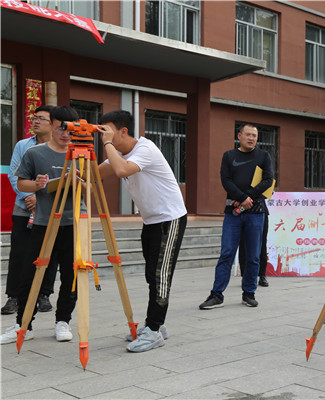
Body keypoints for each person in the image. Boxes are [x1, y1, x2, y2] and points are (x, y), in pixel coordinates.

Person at [98, 110, 187, 353]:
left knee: (160, 276)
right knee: (151, 274)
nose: (103, 136)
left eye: (107, 131)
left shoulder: (145, 149)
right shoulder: (119, 154)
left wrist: (107, 144)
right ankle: (155, 324)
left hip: (170, 219)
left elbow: (121, 171)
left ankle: (154, 331)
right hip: (150, 221)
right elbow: (95, 174)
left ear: (123, 131)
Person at [1, 106, 83, 345]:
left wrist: (77, 182)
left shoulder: (81, 154)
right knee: (30, 273)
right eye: (60, 129)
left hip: (72, 223)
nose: (65, 134)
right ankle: (23, 324)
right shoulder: (34, 153)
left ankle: (63, 321)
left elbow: (92, 187)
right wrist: (37, 185)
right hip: (42, 222)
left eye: (70, 130)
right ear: (52, 126)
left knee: (71, 275)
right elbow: (21, 184)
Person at [199, 124, 273, 310]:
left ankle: (249, 293)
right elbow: (226, 180)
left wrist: (247, 198)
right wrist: (241, 198)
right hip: (233, 214)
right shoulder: (229, 156)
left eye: (254, 135)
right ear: (239, 136)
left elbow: (268, 180)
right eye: (248, 134)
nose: (251, 138)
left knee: (253, 256)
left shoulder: (263, 156)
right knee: (227, 253)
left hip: (255, 213)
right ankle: (216, 295)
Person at [2, 105, 58, 315]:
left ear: (53, 124)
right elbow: (14, 174)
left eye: (41, 118)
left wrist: (40, 197)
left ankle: (44, 295)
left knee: (49, 252)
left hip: (50, 208)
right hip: (24, 207)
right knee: (19, 253)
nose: (35, 121)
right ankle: (14, 297)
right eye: (34, 117)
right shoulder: (23, 145)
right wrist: (29, 195)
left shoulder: (59, 147)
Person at [239, 212, 270, 287]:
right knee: (243, 245)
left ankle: (262, 275)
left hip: (260, 212)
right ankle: (245, 275)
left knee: (261, 244)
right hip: (243, 213)